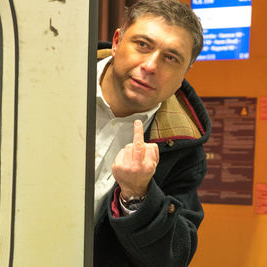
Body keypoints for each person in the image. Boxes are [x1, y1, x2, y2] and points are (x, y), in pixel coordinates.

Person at [94, 0, 211, 266]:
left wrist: (138, 195)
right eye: (142, 45)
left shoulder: (185, 149)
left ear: (184, 74)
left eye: (170, 58)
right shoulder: (51, 78)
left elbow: (174, 257)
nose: (150, 66)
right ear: (116, 41)